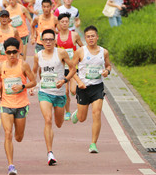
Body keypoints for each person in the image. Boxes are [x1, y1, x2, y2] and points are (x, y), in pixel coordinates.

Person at [32, 29, 76, 166]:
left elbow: (73, 68)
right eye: (45, 39)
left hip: (59, 94)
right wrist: (33, 85)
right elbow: (34, 72)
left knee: (59, 123)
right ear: (42, 41)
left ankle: (71, 115)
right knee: (48, 120)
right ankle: (50, 153)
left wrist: (64, 80)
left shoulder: (61, 53)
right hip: (44, 92)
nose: (48, 42)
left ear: (55, 41)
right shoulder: (38, 56)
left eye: (51, 39)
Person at [0, 37, 37, 175]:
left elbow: (34, 82)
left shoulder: (23, 65)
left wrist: (22, 86)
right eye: (9, 52)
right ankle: (11, 165)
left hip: (21, 105)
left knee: (18, 137)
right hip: (6, 104)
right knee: (8, 133)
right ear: (5, 53)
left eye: (14, 52)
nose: (12, 55)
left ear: (18, 52)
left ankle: (18, 137)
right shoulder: (0, 66)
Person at [70, 25, 112, 154]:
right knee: (82, 118)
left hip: (97, 87)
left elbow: (108, 65)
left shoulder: (104, 52)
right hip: (83, 88)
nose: (90, 38)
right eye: (88, 36)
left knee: (96, 113)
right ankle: (78, 114)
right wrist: (79, 82)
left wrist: (107, 71)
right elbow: (72, 69)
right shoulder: (80, 52)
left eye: (93, 36)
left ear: (97, 37)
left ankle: (93, 143)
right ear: (85, 38)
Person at [56, 13, 83, 120]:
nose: (64, 24)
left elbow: (82, 48)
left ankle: (80, 107)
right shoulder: (56, 37)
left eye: (66, 21)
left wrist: (82, 59)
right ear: (58, 23)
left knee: (73, 91)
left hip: (73, 68)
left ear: (69, 23)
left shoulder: (74, 35)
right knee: (66, 91)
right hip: (62, 69)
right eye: (62, 22)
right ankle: (67, 112)